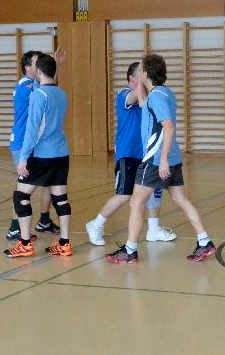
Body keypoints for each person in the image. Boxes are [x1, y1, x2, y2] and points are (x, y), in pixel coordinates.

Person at [106, 53, 214, 264]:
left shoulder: (156, 97)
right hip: (172, 157)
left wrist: (162, 159)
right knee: (180, 199)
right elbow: (143, 103)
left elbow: (168, 126)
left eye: (141, 70)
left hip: (155, 160)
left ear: (146, 73)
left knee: (136, 202)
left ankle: (130, 250)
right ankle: (204, 241)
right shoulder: (163, 93)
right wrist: (140, 83)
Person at [86, 62, 177, 246]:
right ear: (132, 79)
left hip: (146, 154)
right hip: (127, 154)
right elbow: (136, 96)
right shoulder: (124, 94)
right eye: (141, 75)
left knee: (154, 191)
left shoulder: (152, 97)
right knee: (125, 195)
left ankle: (153, 229)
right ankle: (96, 224)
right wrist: (145, 81)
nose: (144, 77)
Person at [4, 54, 72, 257]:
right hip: (61, 154)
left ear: (39, 72)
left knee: (21, 196)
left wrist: (24, 157)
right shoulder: (61, 93)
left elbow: (33, 129)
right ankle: (64, 243)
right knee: (60, 198)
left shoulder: (38, 95)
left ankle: (25, 243)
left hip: (41, 154)